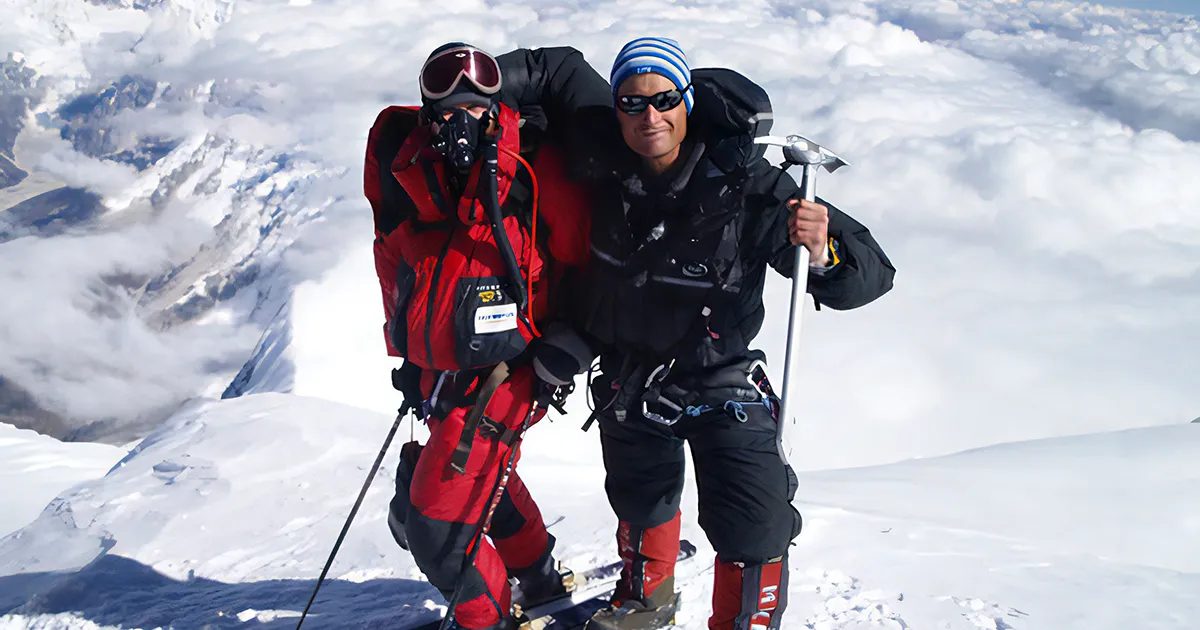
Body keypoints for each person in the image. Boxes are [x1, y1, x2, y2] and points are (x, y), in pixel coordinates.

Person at [502, 38, 897, 630]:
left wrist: (822, 251)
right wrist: (465, 86)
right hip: (631, 378)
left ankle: (743, 621)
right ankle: (645, 599)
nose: (649, 116)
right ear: (615, 109)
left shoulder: (744, 185)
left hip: (722, 382)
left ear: (687, 101)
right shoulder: (602, 165)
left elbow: (871, 275)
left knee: (753, 519)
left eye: (664, 99)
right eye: (632, 103)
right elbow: (553, 69)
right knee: (639, 496)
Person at [362, 42, 601, 630]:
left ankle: (484, 620)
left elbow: (590, 261)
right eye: (444, 111)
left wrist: (572, 343)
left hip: (518, 369)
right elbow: (401, 263)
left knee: (436, 527)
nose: (457, 123)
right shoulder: (414, 174)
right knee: (480, 481)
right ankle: (538, 577)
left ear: (495, 110)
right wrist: (414, 360)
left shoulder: (532, 171)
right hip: (450, 370)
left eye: (473, 107)